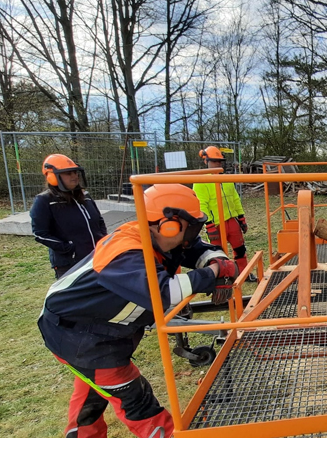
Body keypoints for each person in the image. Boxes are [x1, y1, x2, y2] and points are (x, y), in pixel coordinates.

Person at [37, 183, 238, 438]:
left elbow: (202, 249)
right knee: (137, 402)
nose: (195, 233)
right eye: (193, 225)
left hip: (99, 332)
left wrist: (217, 261)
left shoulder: (159, 238)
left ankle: (81, 438)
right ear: (169, 225)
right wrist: (213, 273)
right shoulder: (125, 253)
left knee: (92, 392)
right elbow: (164, 293)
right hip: (81, 339)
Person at [30, 154, 107, 279]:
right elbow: (40, 233)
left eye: (75, 172)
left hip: (96, 258)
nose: (74, 176)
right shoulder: (45, 201)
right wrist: (69, 248)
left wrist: (102, 239)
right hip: (70, 263)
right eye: (68, 173)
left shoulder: (85, 196)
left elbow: (99, 221)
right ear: (53, 177)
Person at [192, 146, 250, 275]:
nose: (217, 164)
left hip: (231, 221)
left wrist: (241, 218)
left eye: (219, 161)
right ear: (206, 161)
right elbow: (201, 205)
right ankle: (224, 277)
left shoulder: (226, 179)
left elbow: (235, 199)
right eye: (214, 161)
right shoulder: (201, 181)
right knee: (218, 254)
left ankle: (244, 273)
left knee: (240, 249)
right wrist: (210, 225)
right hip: (216, 225)